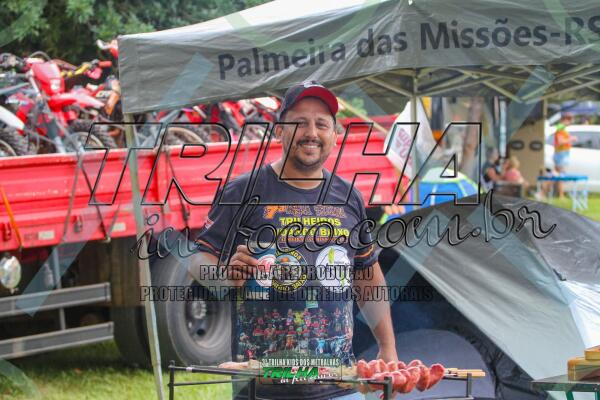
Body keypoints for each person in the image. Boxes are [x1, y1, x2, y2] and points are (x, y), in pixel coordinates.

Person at [194, 81, 397, 400]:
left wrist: (387, 346)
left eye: (321, 124)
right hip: (261, 389)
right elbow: (198, 262)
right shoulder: (242, 191)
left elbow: (367, 276)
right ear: (279, 131)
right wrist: (225, 277)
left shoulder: (349, 197)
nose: (311, 133)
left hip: (339, 386)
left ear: (335, 134)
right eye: (299, 122)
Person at [553, 112, 577, 199]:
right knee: (560, 175)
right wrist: (571, 139)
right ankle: (561, 195)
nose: (570, 123)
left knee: (555, 174)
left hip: (562, 153)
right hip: (561, 154)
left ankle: (544, 193)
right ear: (565, 119)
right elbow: (560, 141)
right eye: (570, 120)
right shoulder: (560, 128)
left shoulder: (561, 128)